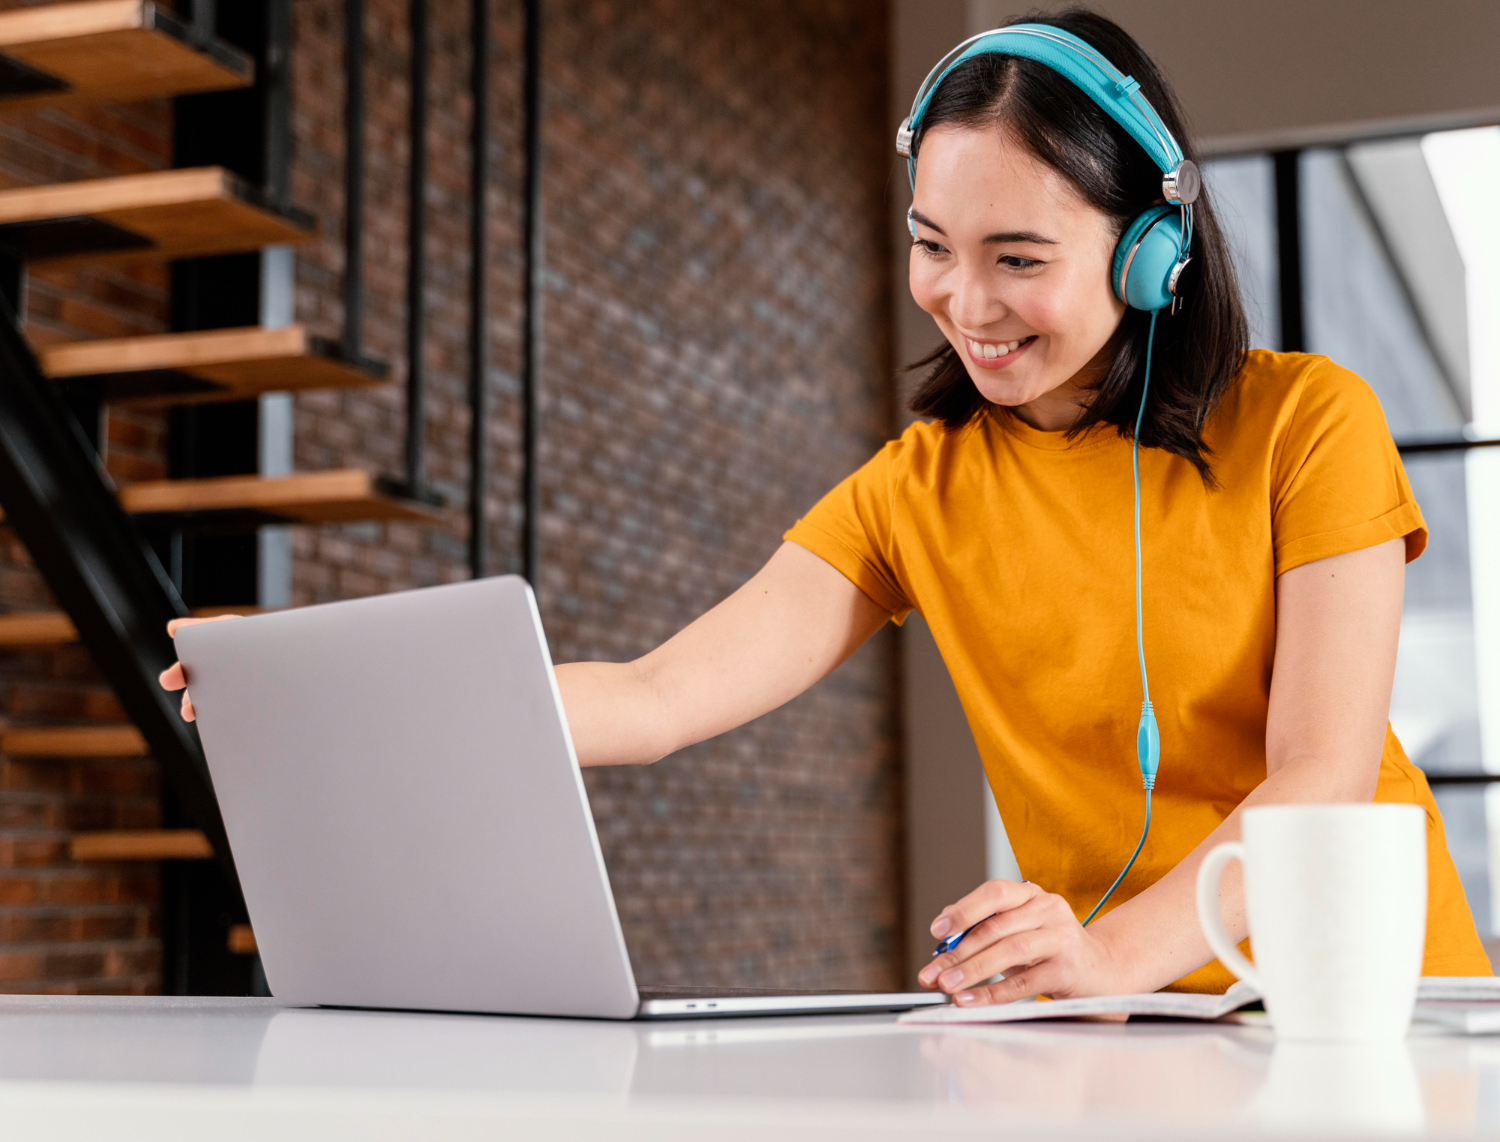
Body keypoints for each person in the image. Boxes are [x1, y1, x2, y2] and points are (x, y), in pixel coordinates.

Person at [160, 8, 1491, 1004]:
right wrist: (321, 689)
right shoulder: (920, 489)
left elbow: (1318, 777)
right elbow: (660, 694)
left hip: (1378, 1005)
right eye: (932, 245)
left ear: (1152, 252)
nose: (966, 303)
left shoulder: (1310, 422)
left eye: (1018, 257)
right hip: (1117, 1020)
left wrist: (1110, 956)